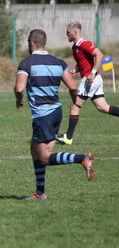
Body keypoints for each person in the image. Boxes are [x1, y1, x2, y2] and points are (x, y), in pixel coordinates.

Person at [14, 29, 95, 201]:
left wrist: (18, 99)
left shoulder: (27, 63)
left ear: (31, 43)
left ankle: (83, 159)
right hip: (56, 112)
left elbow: (19, 88)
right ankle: (40, 193)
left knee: (44, 157)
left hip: (43, 115)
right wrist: (75, 102)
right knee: (35, 149)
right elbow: (73, 87)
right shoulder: (58, 62)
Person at [56, 22, 119, 145]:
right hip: (93, 78)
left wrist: (92, 72)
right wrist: (76, 69)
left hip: (90, 79)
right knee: (103, 107)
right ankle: (68, 138)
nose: (66, 34)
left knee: (75, 105)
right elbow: (84, 61)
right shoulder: (75, 47)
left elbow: (99, 55)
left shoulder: (84, 43)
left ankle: (68, 138)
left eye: (68, 32)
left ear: (75, 32)